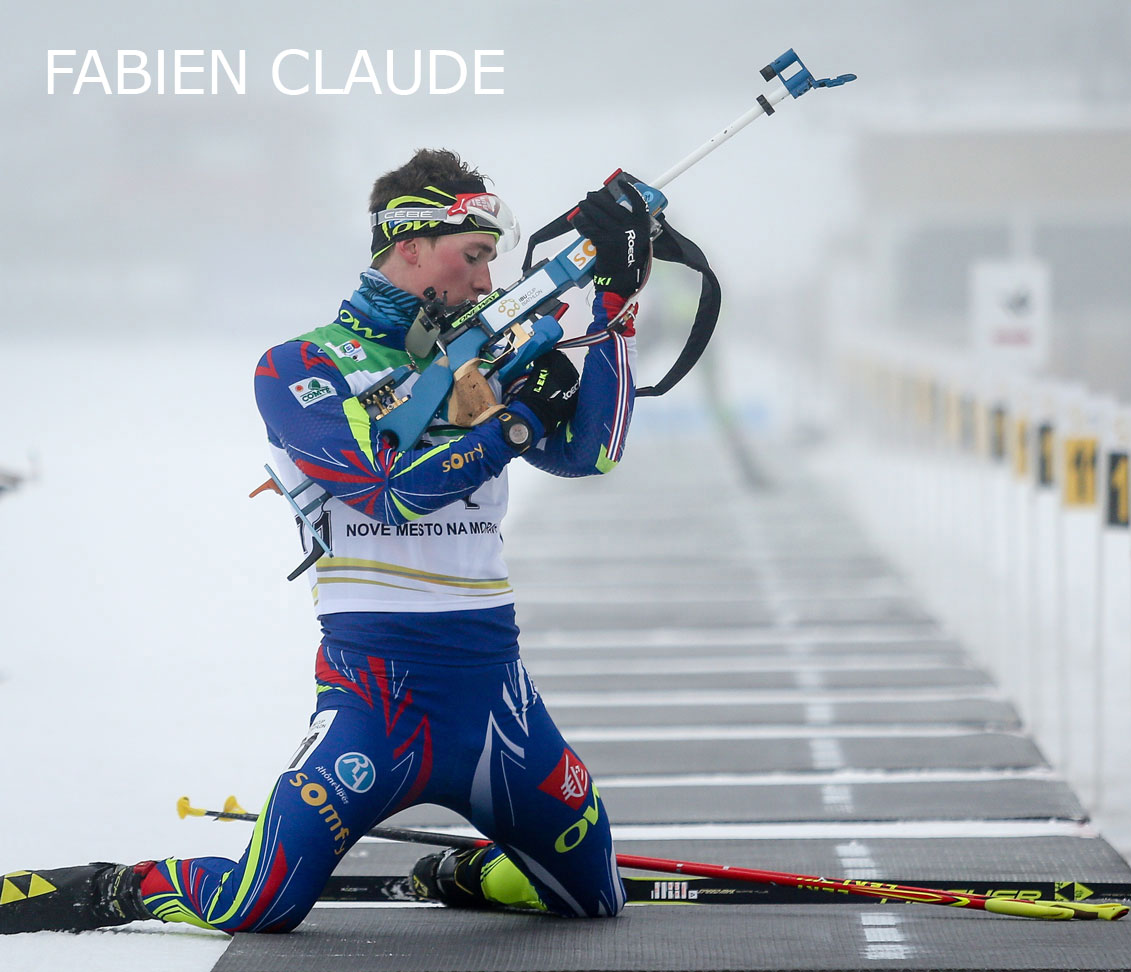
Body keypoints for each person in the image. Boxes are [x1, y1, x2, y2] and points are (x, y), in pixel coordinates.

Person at [0, 148, 652, 935]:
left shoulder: (485, 352)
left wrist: (616, 300)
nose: (486, 281)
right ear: (409, 245)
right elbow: (385, 494)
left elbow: (594, 453)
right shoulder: (303, 365)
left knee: (593, 900)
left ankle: (464, 872)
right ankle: (121, 888)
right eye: (474, 256)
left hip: (496, 697)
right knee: (259, 905)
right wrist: (514, 427)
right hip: (375, 699)